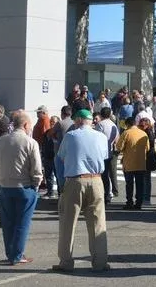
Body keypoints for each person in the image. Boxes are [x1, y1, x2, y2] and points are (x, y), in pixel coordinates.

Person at [53, 108, 110, 273]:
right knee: (98, 222)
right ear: (91, 121)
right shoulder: (101, 137)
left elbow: (61, 156)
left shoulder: (71, 136)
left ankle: (66, 261)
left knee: (68, 222)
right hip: (96, 179)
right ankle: (100, 262)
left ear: (78, 121)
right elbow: (104, 156)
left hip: (75, 180)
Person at [0, 111, 43, 265]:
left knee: (8, 222)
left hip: (5, 186)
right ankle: (17, 255)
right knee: (22, 223)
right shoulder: (30, 142)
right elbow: (36, 168)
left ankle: (11, 252)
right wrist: (36, 183)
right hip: (25, 187)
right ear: (25, 125)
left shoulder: (1, 141)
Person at [116, 117, 149, 210]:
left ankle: (129, 202)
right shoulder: (143, 133)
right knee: (140, 184)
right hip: (141, 163)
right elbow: (147, 148)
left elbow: (119, 147)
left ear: (127, 124)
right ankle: (139, 203)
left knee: (129, 184)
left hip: (129, 163)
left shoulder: (126, 133)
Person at [94, 107, 119, 204]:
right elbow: (117, 138)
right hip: (111, 151)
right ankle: (112, 192)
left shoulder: (100, 125)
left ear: (101, 115)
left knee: (104, 175)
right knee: (111, 172)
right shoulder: (113, 125)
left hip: (102, 153)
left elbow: (96, 138)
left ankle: (106, 194)